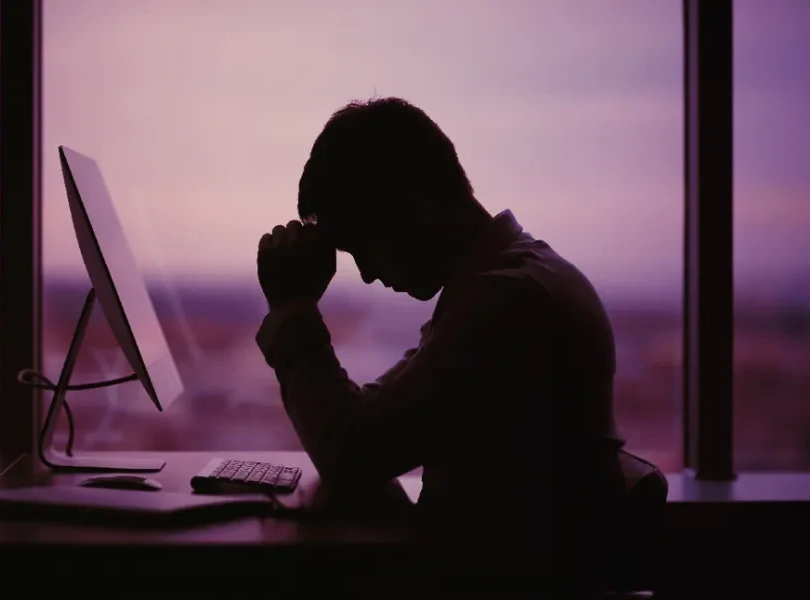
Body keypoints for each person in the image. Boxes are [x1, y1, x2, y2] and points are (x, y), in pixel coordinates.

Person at [255, 97, 627, 578]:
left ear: (417, 205)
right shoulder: (513, 281)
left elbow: (352, 451)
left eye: (362, 244)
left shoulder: (505, 304)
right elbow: (374, 427)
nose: (366, 273)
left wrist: (294, 309)